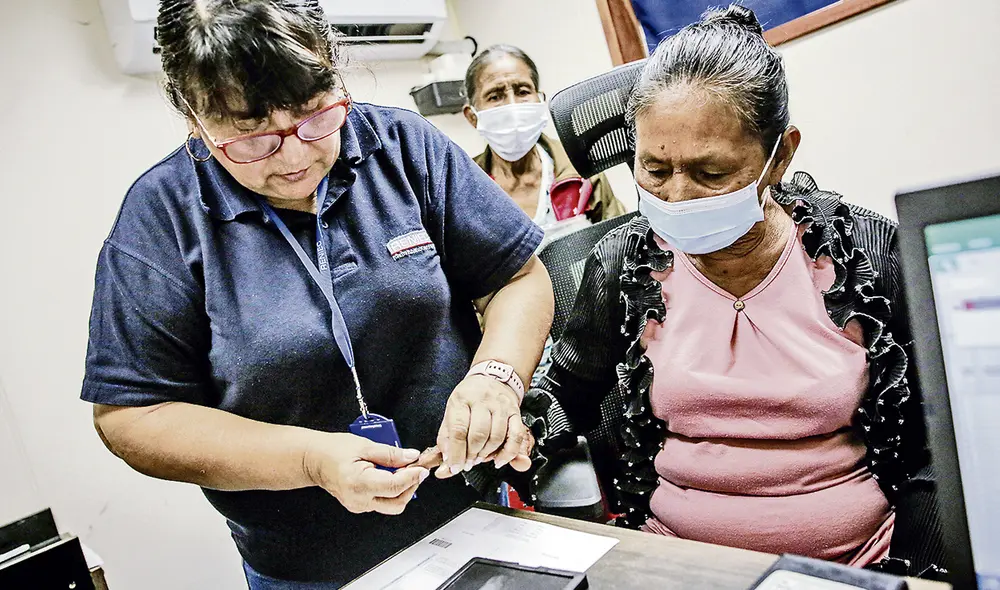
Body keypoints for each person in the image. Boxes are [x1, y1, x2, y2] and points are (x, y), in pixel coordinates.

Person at [80, 1, 552, 587]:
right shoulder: (161, 217)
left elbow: (517, 277)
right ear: (192, 116)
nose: (297, 157)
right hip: (308, 568)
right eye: (253, 138)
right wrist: (310, 461)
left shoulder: (401, 146)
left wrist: (497, 376)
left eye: (315, 116)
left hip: (474, 521)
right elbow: (134, 416)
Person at [515, 4, 943, 576]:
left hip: (853, 568)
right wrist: (514, 415)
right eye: (654, 169)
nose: (677, 196)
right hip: (671, 561)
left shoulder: (866, 260)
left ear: (780, 155)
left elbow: (937, 450)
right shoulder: (623, 264)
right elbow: (567, 392)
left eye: (712, 173)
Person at [463, 45, 626, 246]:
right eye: (495, 96)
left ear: (540, 101)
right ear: (472, 116)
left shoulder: (580, 168)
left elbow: (621, 245)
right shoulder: (464, 188)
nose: (513, 106)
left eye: (522, 91)